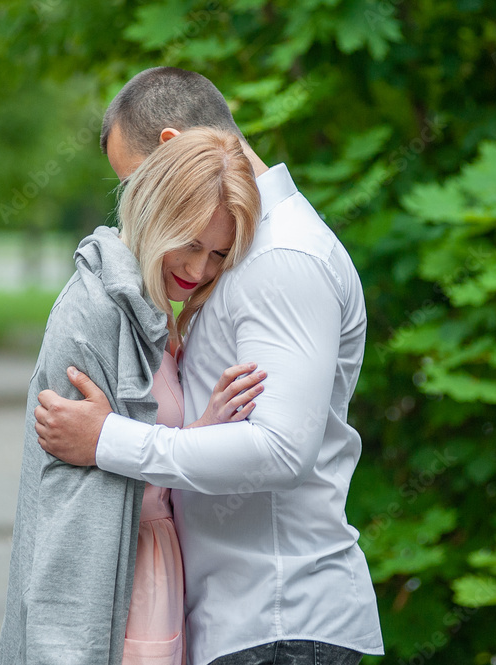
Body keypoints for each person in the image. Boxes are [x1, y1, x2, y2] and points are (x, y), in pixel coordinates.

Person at [34, 67, 384, 665]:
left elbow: (280, 452)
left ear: (171, 151)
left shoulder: (283, 259)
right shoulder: (243, 249)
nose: (134, 209)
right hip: (247, 624)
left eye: (134, 180)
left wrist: (108, 440)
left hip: (279, 625)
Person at [0, 127, 262, 665]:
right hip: (114, 574)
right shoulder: (94, 313)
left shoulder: (158, 312)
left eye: (218, 253)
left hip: (158, 570)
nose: (198, 270)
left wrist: (201, 430)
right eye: (189, 243)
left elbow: (126, 452)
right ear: (157, 211)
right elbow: (69, 498)